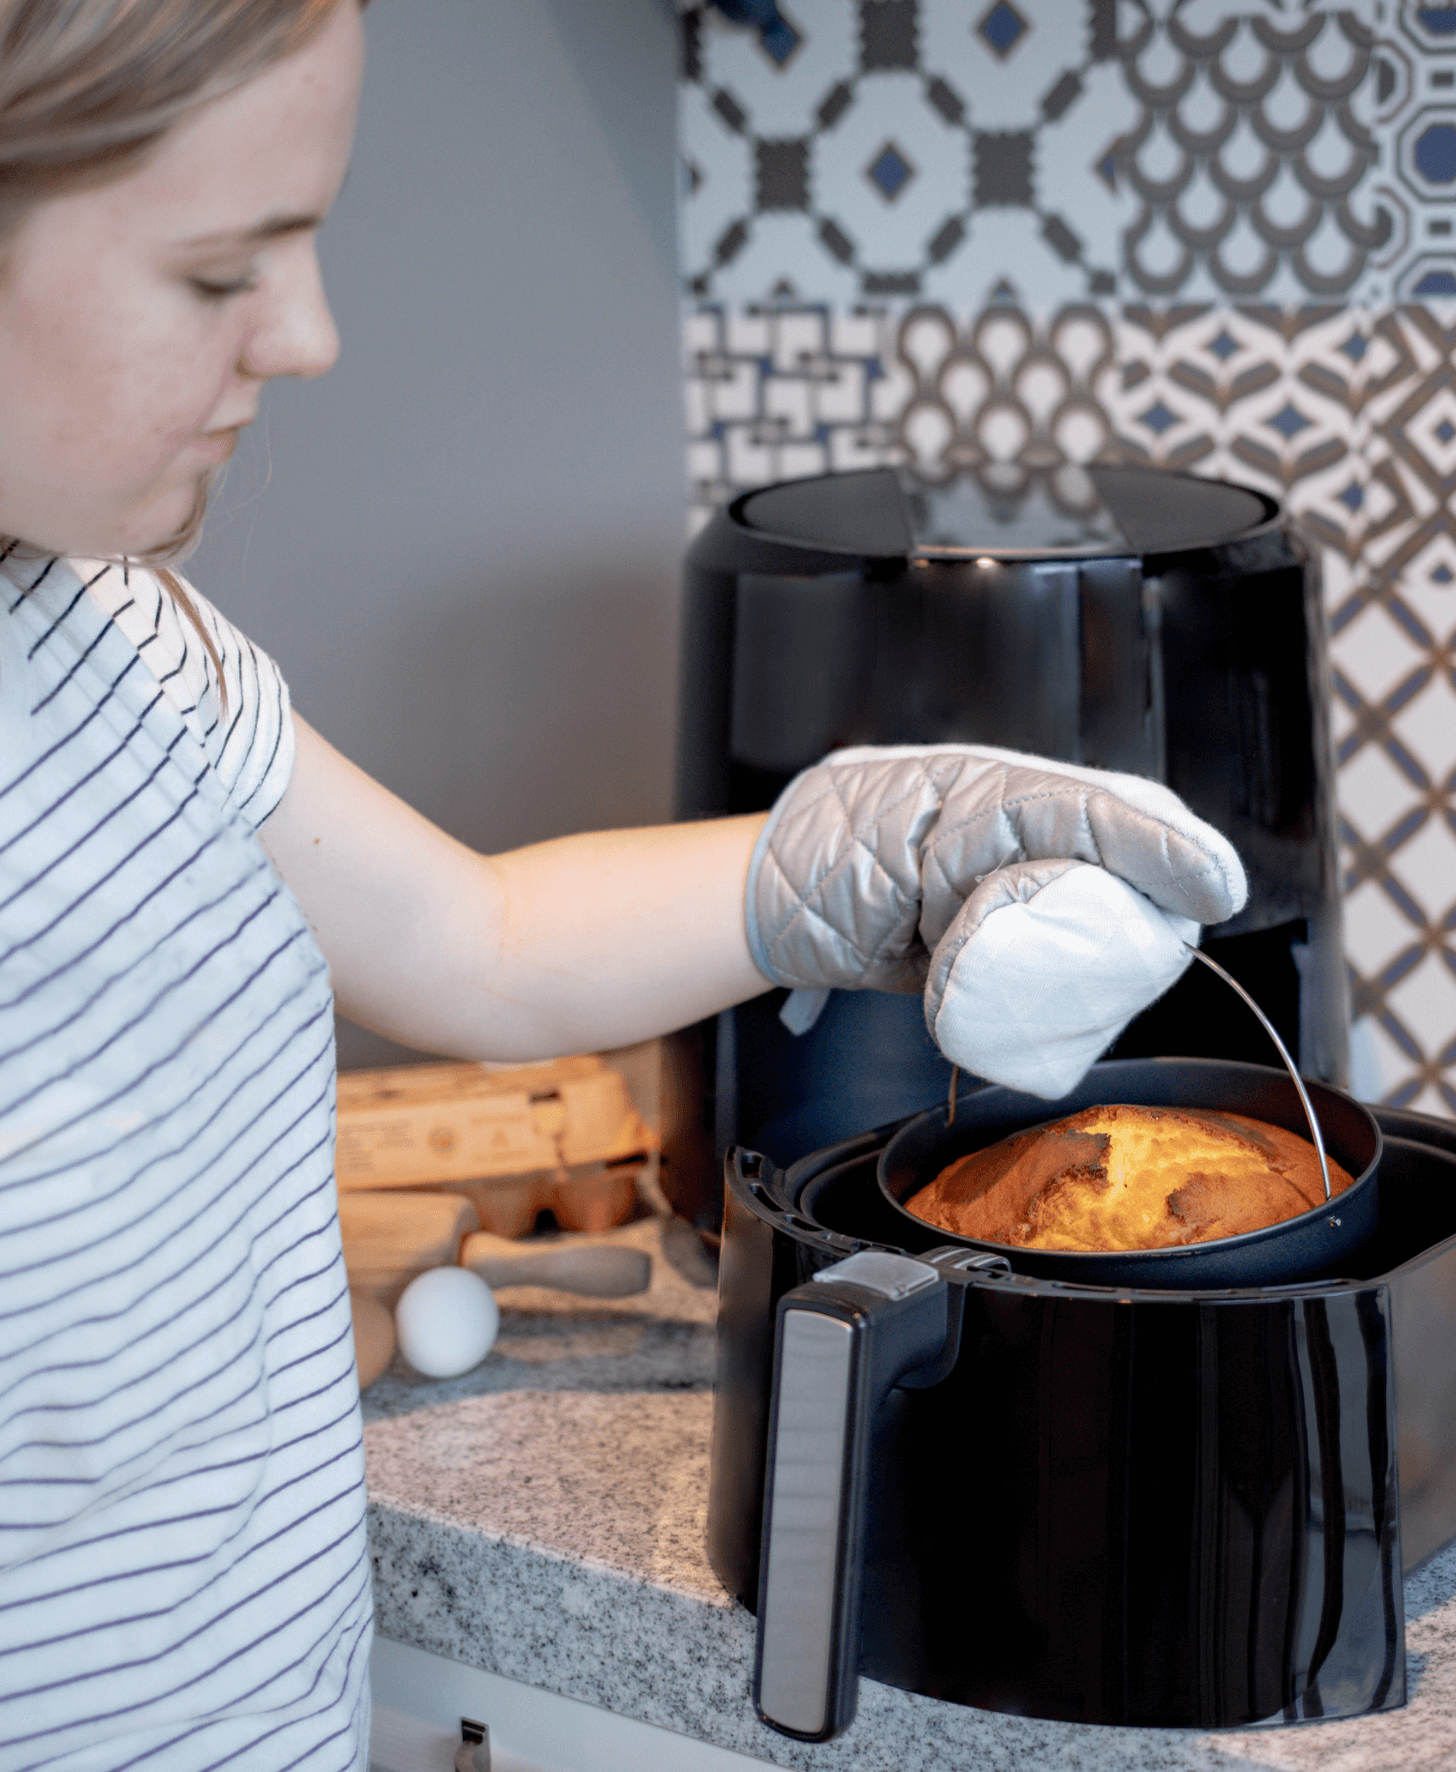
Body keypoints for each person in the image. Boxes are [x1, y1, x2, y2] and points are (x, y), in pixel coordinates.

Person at [0, 2, 1245, 1764]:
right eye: (221, 271)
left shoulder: (104, 631)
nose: (313, 335)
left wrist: (842, 864)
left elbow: (479, 944)